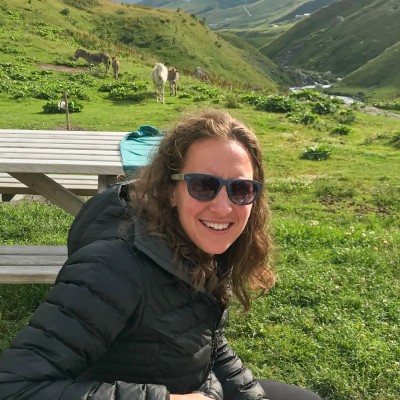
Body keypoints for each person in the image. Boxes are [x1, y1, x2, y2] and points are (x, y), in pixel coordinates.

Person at [0, 108, 323, 400]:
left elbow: (206, 342)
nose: (224, 207)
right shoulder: (109, 270)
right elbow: (15, 387)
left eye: (240, 189)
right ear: (170, 190)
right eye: (202, 185)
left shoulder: (194, 246)